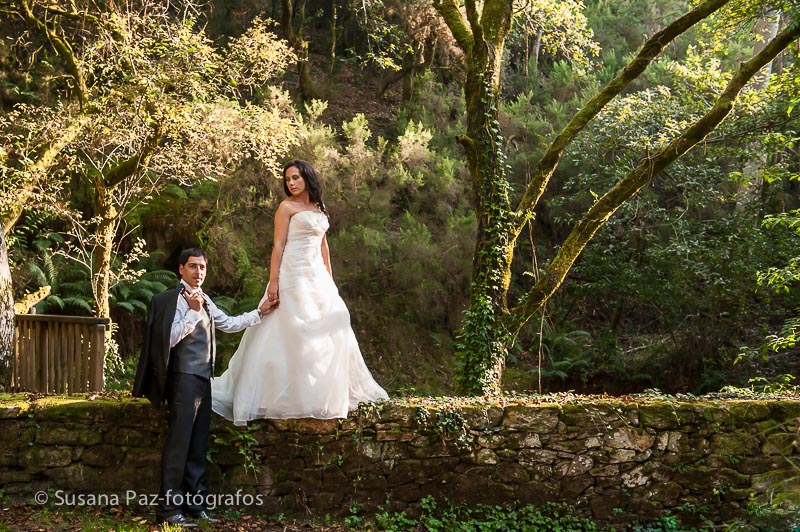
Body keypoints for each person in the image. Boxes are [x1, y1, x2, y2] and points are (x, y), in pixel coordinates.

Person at [211, 160, 388, 425]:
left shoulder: (319, 207)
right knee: (292, 331)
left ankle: (319, 395)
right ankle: (277, 398)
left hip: (317, 275)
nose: (291, 183)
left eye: (295, 178)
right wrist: (273, 282)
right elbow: (278, 245)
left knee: (335, 320)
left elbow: (323, 246)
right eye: (287, 180)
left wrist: (330, 278)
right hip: (292, 274)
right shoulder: (286, 208)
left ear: (307, 177)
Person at [132, 248, 277, 528]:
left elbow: (229, 324)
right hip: (182, 379)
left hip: (203, 380)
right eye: (193, 266)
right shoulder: (174, 299)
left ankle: (194, 506)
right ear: (181, 269)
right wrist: (192, 314)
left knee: (197, 447)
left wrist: (260, 313)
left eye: (203, 267)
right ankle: (168, 511)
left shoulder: (206, 299)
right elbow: (169, 339)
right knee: (178, 446)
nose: (199, 272)